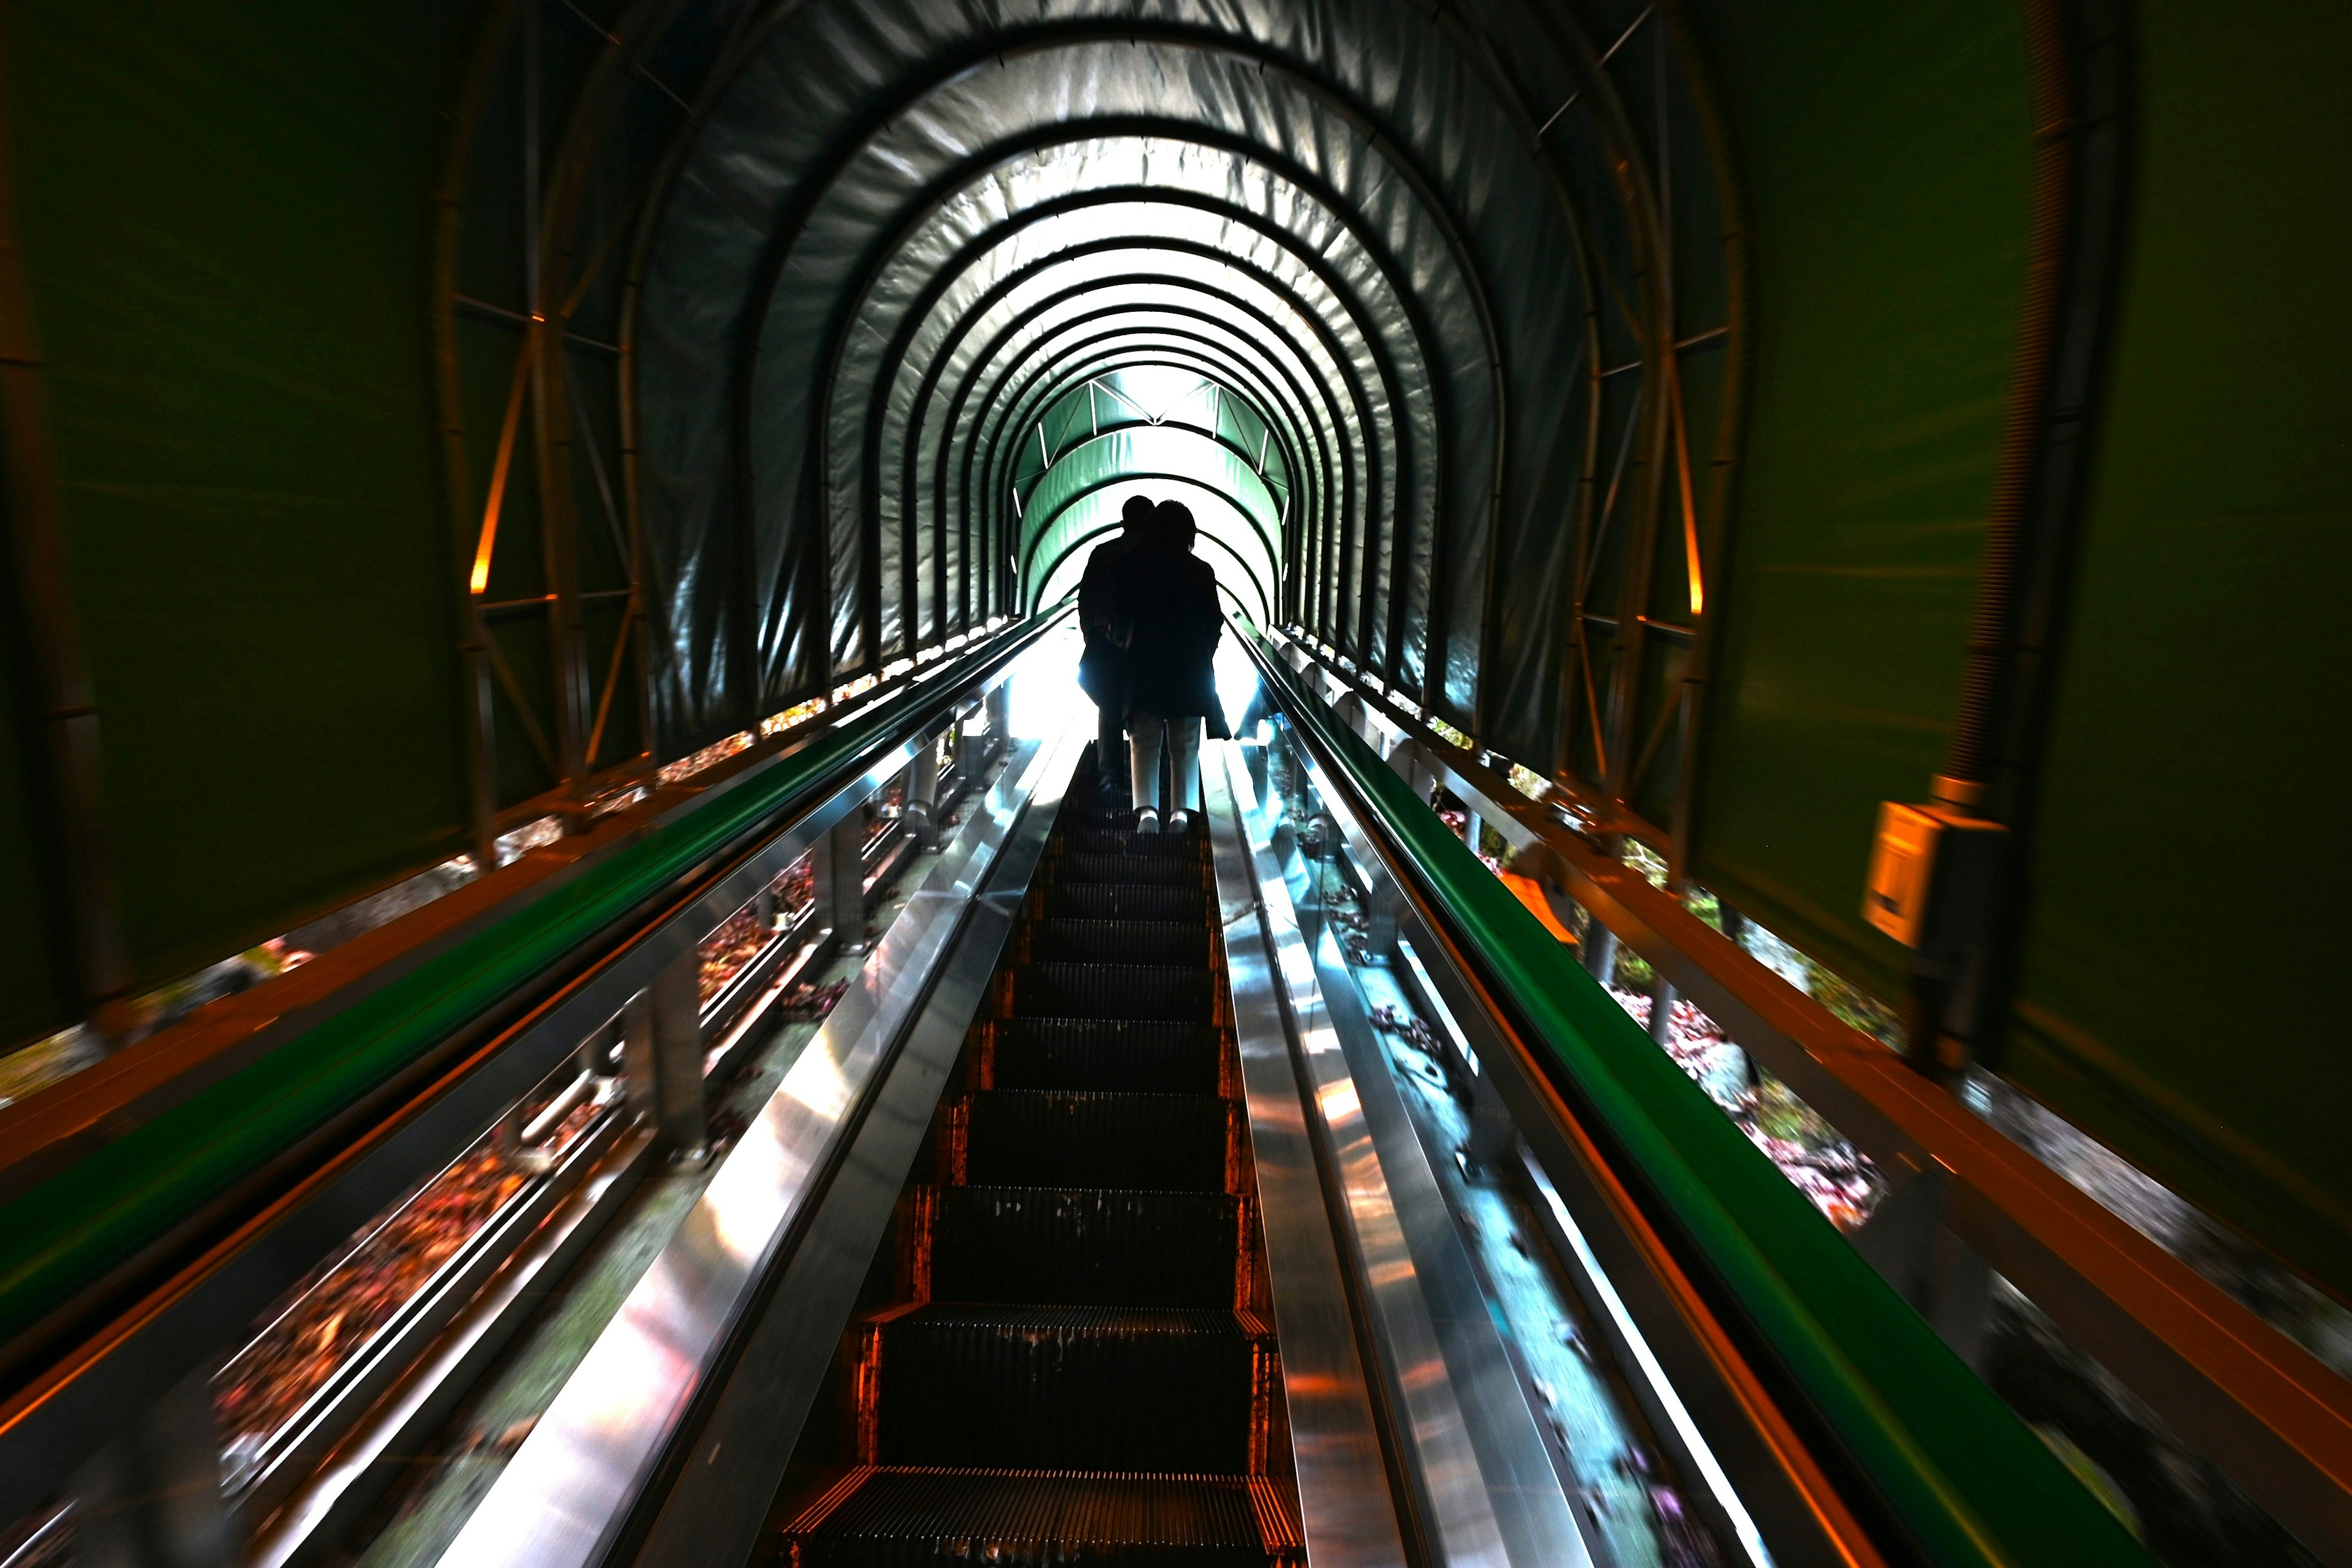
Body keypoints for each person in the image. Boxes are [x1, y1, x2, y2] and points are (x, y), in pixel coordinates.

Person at [1112, 499, 1228, 832]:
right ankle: (1180, 813)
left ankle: (1147, 812)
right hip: (1188, 667)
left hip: (1142, 666)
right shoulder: (1200, 570)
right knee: (1186, 741)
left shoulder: (1131, 565)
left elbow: (1119, 615)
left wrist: (1123, 646)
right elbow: (1213, 621)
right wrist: (1205, 653)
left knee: (1144, 737)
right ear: (1188, 534)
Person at [1076, 495, 1154, 800]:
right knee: (1146, 710)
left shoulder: (1103, 553)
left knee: (1108, 707)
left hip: (1105, 647)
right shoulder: (1155, 556)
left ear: (1123, 521)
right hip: (1146, 650)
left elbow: (1086, 600)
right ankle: (1146, 784)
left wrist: (1092, 637)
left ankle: (1110, 777)